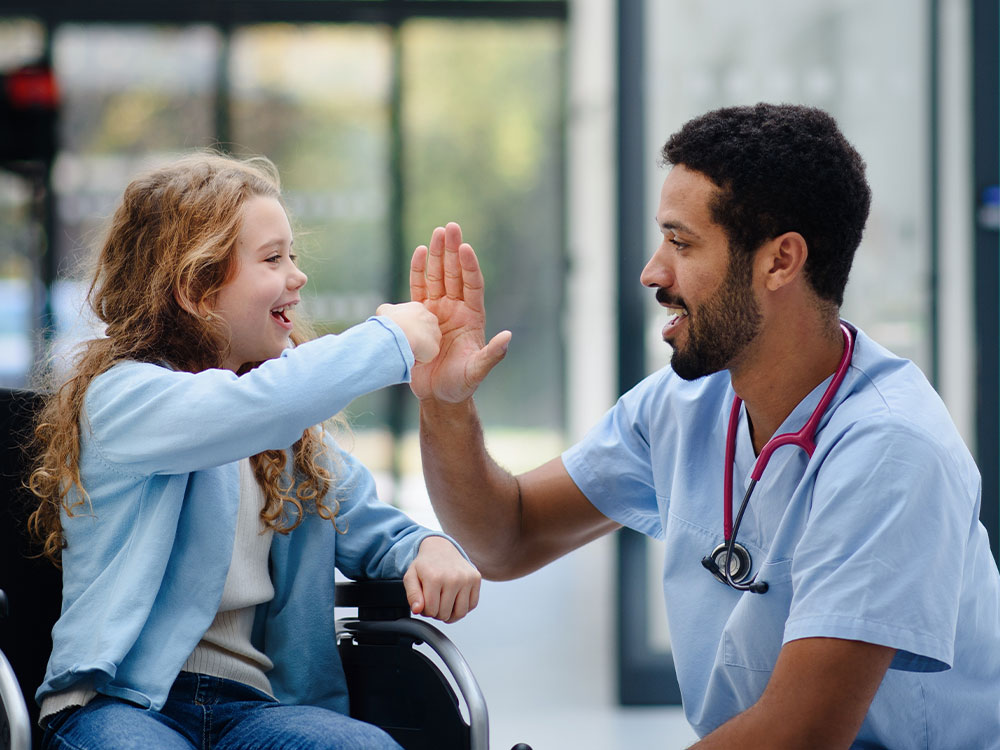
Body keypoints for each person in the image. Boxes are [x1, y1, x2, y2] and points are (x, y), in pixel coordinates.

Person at [410, 103, 1000, 748]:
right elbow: (506, 538)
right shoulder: (684, 404)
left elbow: (800, 734)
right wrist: (446, 403)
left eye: (681, 242)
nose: (652, 272)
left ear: (780, 262)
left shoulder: (891, 450)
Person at [26, 152, 481, 750]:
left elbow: (371, 525)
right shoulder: (125, 398)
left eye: (293, 255)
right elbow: (246, 409)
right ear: (194, 287)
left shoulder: (289, 437)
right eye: (273, 259)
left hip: (254, 709)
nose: (298, 276)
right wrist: (389, 340)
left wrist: (428, 546)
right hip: (123, 704)